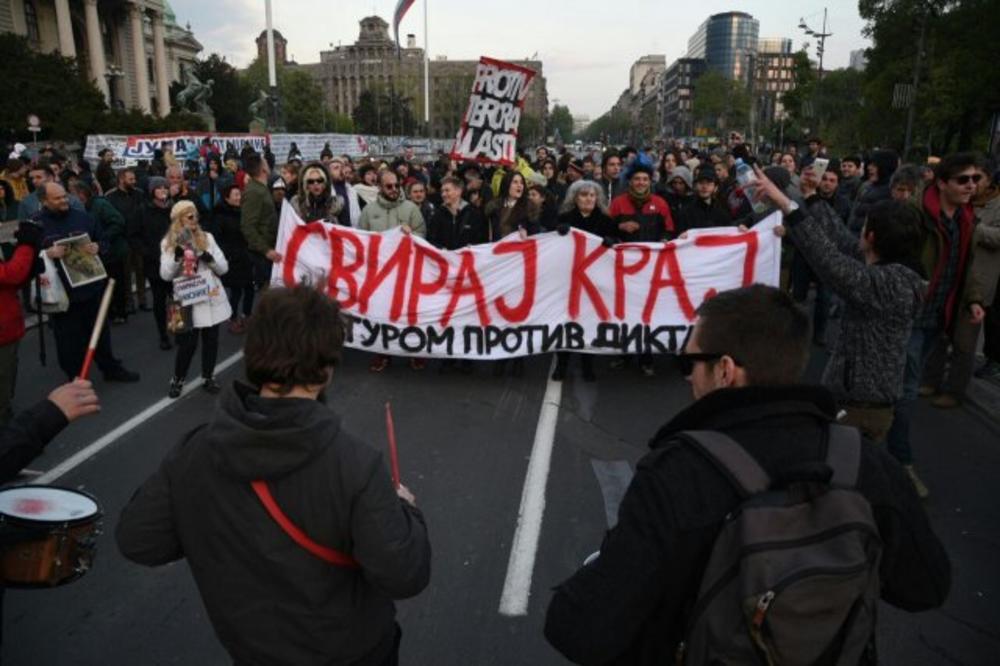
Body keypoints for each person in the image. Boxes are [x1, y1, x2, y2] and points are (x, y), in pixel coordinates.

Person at [544, 284, 951, 666]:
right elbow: (927, 586)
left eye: (691, 361)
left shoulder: (676, 475)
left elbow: (582, 631)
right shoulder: (865, 461)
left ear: (725, 370)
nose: (687, 375)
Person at [116, 286, 431, 666]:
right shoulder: (355, 466)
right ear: (326, 369)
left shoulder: (195, 451)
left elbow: (138, 540)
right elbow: (405, 574)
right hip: (351, 653)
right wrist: (407, 511)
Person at [759, 166, 925, 444]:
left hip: (861, 409)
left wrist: (787, 205)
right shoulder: (891, 268)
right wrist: (811, 198)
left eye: (864, 226)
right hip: (858, 402)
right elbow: (840, 239)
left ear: (871, 237)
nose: (858, 232)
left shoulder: (888, 284)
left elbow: (827, 259)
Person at [887, 153, 985, 498]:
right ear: (942, 183)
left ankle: (873, 441)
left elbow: (966, 263)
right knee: (907, 388)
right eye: (963, 180)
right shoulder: (915, 214)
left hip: (938, 317)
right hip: (911, 315)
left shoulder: (967, 217)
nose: (971, 185)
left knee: (900, 385)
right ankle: (900, 461)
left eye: (975, 179)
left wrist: (973, 300)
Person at [36, 183, 139, 383]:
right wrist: (47, 254)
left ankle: (110, 369)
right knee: (68, 341)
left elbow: (104, 241)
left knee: (100, 332)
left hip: (91, 288)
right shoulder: (36, 225)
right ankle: (75, 378)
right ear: (44, 201)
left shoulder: (83, 218)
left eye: (64, 196)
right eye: (57, 198)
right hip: (63, 295)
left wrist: (97, 246)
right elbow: (27, 258)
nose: (64, 200)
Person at [160, 201, 230, 398]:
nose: (195, 219)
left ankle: (208, 376)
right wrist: (177, 258)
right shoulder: (168, 243)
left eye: (196, 215)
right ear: (179, 220)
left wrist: (206, 256)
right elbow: (165, 275)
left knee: (211, 340)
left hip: (209, 296)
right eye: (189, 216)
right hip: (185, 298)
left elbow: (224, 268)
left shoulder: (207, 238)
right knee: (187, 344)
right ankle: (178, 379)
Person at [358, 170, 426, 373]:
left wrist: (411, 234)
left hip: (407, 271)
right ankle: (382, 353)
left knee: (410, 314)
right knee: (381, 315)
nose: (394, 189)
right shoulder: (369, 211)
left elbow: (422, 235)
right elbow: (361, 239)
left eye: (397, 185)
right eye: (389, 186)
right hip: (380, 274)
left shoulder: (411, 209)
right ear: (379, 187)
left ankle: (414, 351)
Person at [551, 180, 614, 383]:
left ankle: (588, 364)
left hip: (595, 281)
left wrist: (614, 241)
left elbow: (617, 243)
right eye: (583, 195)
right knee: (567, 322)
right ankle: (562, 363)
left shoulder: (605, 220)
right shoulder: (564, 219)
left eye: (592, 195)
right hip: (568, 279)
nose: (588, 199)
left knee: (590, 322)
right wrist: (558, 233)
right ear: (575, 198)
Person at [0, 220, 42, 426]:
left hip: (8, 323)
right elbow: (12, 274)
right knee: (3, 379)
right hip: (3, 329)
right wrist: (25, 246)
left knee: (9, 372)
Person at [70, 179, 129, 325]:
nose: (69, 198)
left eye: (72, 194)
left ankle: (120, 312)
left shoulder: (100, 205)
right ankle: (108, 313)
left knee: (115, 283)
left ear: (82, 194)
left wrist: (104, 238)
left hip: (112, 251)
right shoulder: (80, 209)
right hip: (97, 253)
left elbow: (119, 221)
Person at [134, 176, 175, 349]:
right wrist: (148, 252)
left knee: (178, 297)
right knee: (159, 300)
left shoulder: (174, 209)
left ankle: (179, 328)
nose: (163, 191)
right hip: (154, 263)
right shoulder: (142, 210)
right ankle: (163, 335)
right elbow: (134, 235)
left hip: (175, 262)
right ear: (152, 192)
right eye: (159, 188)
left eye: (165, 187)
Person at [105, 168, 148, 314]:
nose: (134, 182)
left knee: (141, 270)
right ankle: (128, 302)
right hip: (123, 240)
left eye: (134, 179)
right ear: (122, 179)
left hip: (139, 238)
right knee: (126, 273)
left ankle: (143, 300)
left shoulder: (139, 194)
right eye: (130, 179)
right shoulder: (110, 197)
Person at [971, 161, 1000, 380]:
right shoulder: (970, 199)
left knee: (992, 319)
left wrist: (975, 228)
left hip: (989, 272)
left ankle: (994, 359)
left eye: (977, 178)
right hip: (969, 268)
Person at [214, 184, 254, 334]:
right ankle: (233, 319)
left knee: (249, 287)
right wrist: (228, 254)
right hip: (232, 258)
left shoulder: (244, 212)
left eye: (240, 194)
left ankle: (247, 315)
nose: (239, 197)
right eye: (235, 195)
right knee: (236, 291)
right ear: (226, 197)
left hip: (246, 256)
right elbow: (218, 239)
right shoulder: (220, 215)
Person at [241, 154, 281, 289]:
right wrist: (266, 250)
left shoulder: (260, 188)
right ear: (263, 169)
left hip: (267, 250)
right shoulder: (254, 192)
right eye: (265, 162)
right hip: (262, 255)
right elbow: (247, 226)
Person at [849, 149, 899, 232]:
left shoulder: (892, 193)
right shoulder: (865, 186)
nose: (869, 168)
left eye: (874, 165)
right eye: (869, 164)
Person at [675, 165, 733, 233]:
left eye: (709, 183)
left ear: (716, 187)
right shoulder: (686, 211)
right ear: (696, 185)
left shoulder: (723, 209)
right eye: (701, 183)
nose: (704, 186)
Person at [328, 156, 361, 226]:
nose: (340, 170)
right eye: (336, 168)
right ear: (329, 172)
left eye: (342, 168)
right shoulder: (326, 192)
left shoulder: (352, 191)